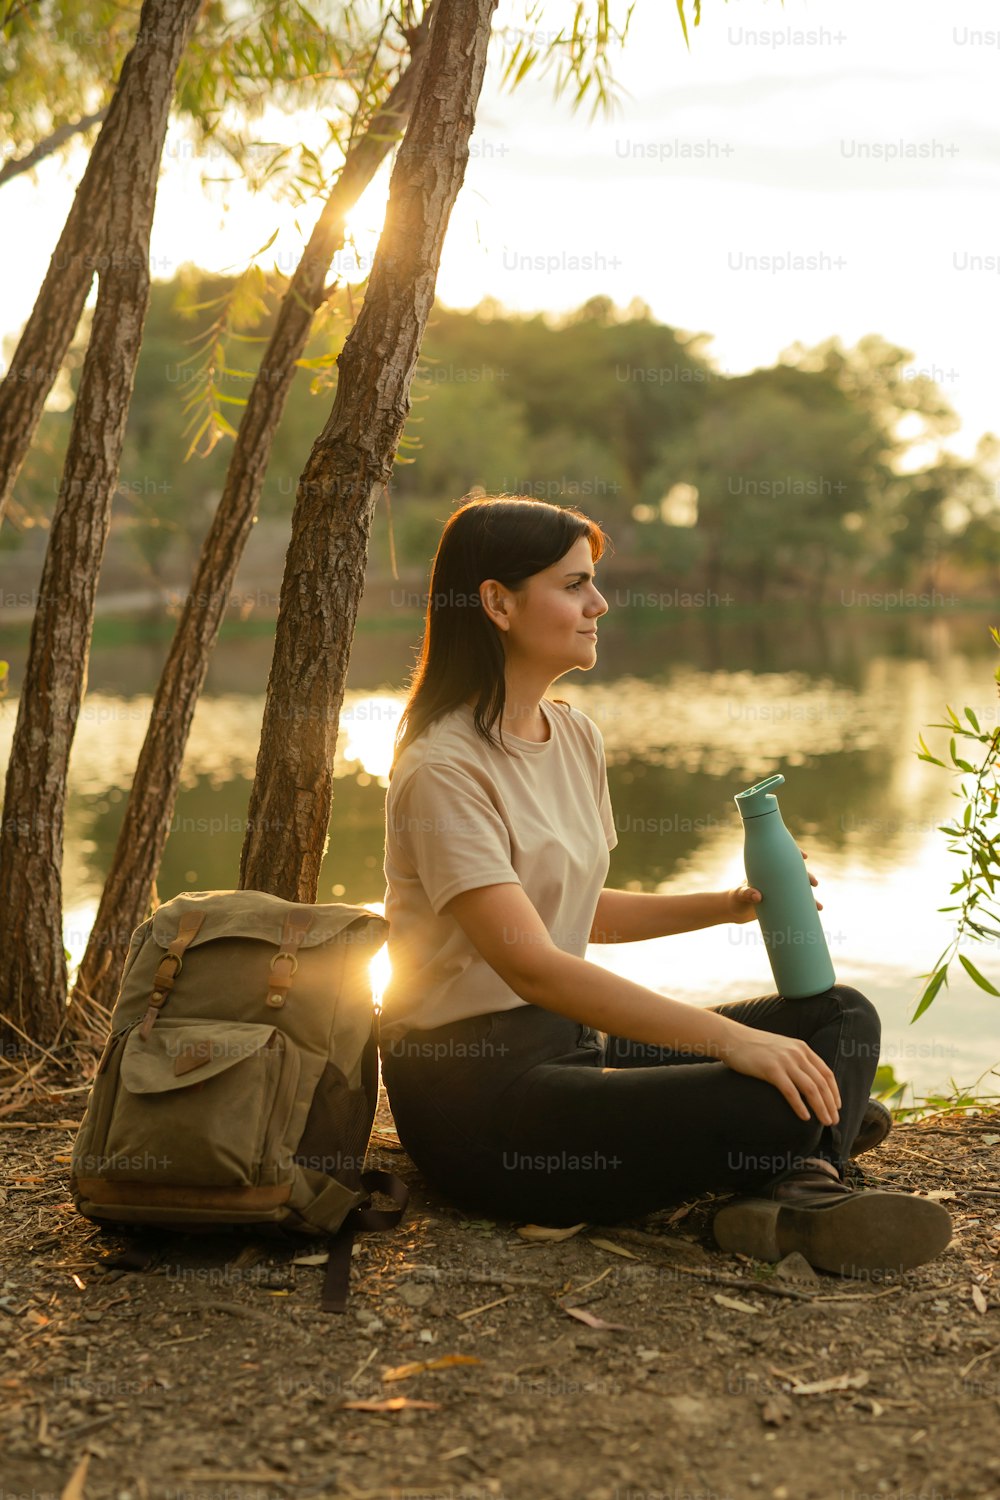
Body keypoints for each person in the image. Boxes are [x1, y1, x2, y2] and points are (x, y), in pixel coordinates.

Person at [378, 495, 952, 1276]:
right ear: (497, 603)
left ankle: (793, 1171)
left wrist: (723, 908)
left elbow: (578, 914)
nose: (599, 603)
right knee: (763, 1086)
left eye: (594, 583)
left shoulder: (573, 736)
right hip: (480, 1097)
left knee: (839, 1018)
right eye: (575, 584)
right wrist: (732, 1039)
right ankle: (805, 1162)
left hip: (572, 1046)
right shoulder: (443, 768)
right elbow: (532, 964)